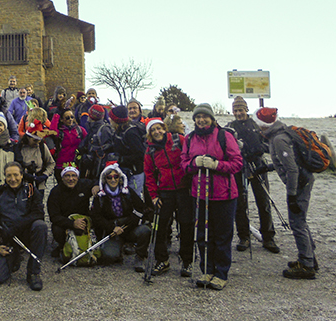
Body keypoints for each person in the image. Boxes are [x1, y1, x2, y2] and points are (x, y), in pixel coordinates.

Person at [180, 103, 243, 290]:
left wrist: (217, 165)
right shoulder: (190, 138)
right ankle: (207, 270)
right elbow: (183, 164)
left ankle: (221, 273)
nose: (201, 120)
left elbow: (237, 163)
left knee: (222, 236)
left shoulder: (225, 136)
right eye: (197, 117)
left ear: (212, 118)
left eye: (204, 117)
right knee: (203, 235)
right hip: (200, 194)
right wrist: (194, 163)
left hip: (224, 194)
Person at [253, 107, 318, 279]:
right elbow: (287, 161)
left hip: (300, 184)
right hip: (302, 181)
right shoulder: (280, 134)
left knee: (297, 222)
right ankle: (310, 258)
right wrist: (267, 167)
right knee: (300, 220)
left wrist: (291, 196)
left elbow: (292, 169)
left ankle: (307, 264)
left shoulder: (279, 139)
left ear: (263, 125)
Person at [0, 161, 46, 291]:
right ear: (4, 177)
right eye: (9, 176)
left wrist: (17, 225)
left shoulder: (31, 191)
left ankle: (33, 272)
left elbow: (38, 213)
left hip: (25, 234)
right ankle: (14, 257)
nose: (13, 179)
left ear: (22, 175)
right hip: (6, 238)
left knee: (41, 226)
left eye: (16, 175)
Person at [228, 96, 280, 254]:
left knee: (263, 201)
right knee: (240, 204)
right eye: (236, 110)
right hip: (239, 168)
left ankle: (268, 237)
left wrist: (258, 149)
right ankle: (244, 237)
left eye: (241, 110)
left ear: (246, 109)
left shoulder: (256, 124)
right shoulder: (230, 127)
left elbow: (268, 143)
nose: (238, 113)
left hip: (258, 166)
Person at [144, 118, 193, 277]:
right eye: (153, 130)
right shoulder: (150, 151)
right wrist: (153, 195)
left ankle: (187, 261)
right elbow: (149, 174)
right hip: (164, 191)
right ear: (150, 134)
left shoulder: (179, 140)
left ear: (165, 129)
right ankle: (162, 260)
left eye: (159, 128)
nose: (157, 132)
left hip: (184, 189)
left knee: (186, 226)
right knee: (160, 227)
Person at [90, 163, 150, 270]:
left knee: (145, 231)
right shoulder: (100, 197)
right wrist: (111, 228)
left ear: (120, 177)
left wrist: (130, 222)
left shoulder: (128, 192)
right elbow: (96, 217)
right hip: (112, 231)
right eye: (109, 177)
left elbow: (141, 208)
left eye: (116, 177)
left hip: (128, 228)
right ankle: (118, 250)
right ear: (105, 179)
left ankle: (140, 257)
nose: (113, 180)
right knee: (109, 256)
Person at [47, 164, 98, 258]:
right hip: (65, 221)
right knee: (56, 229)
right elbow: (54, 216)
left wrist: (96, 186)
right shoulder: (55, 192)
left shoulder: (84, 185)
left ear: (77, 177)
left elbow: (97, 180)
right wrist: (72, 223)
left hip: (83, 219)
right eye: (67, 176)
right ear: (62, 178)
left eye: (73, 175)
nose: (71, 179)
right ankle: (63, 246)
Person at [110, 104, 146, 197]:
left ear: (116, 120)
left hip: (134, 173)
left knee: (133, 199)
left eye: (111, 118)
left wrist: (121, 159)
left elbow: (140, 154)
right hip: (125, 172)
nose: (109, 120)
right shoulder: (119, 130)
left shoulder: (130, 133)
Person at [14, 120, 55, 196]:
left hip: (39, 184)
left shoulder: (42, 147)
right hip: (23, 183)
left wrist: (45, 175)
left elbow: (51, 163)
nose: (37, 143)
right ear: (28, 138)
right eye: (35, 140)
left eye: (39, 140)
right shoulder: (19, 148)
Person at [50, 107, 87, 184]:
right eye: (67, 118)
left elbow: (88, 142)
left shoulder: (80, 130)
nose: (70, 119)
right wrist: (56, 115)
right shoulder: (60, 132)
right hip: (61, 164)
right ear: (62, 120)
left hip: (76, 163)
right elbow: (52, 131)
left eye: (72, 117)